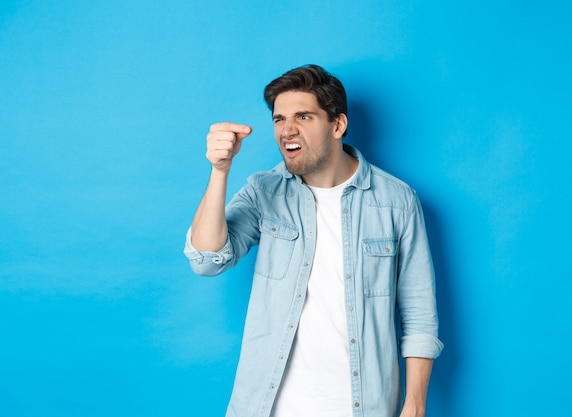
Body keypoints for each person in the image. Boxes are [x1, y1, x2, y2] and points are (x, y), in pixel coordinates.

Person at [184, 64, 443, 417]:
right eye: (279, 119)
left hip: (363, 406)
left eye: (303, 117)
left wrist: (414, 405)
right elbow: (206, 259)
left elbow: (419, 314)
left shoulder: (397, 201)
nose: (287, 130)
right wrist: (219, 171)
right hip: (267, 406)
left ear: (337, 125)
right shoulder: (264, 191)